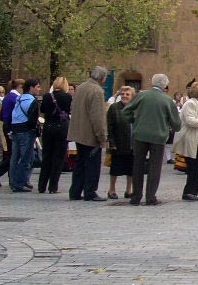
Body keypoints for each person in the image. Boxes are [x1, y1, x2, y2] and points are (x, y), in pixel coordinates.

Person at [123, 74, 180, 206]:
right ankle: (150, 197)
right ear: (165, 85)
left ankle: (136, 196)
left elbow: (126, 111)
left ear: (152, 82)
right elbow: (177, 124)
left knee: (138, 165)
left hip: (140, 135)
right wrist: (168, 126)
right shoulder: (167, 100)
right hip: (158, 137)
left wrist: (135, 121)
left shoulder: (141, 95)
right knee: (155, 167)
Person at [67, 67, 110, 202]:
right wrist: (102, 136)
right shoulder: (97, 91)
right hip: (89, 134)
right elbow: (97, 117)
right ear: (102, 78)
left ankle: (75, 191)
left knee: (80, 163)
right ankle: (90, 191)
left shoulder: (81, 87)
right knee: (92, 164)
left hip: (78, 131)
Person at [38, 76, 72, 194]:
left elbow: (42, 109)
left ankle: (41, 185)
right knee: (58, 157)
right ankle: (53, 187)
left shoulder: (47, 96)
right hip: (61, 128)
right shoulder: (68, 97)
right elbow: (69, 110)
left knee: (47, 156)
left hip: (48, 127)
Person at [9, 78, 42, 193]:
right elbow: (33, 119)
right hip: (26, 131)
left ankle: (13, 182)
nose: (39, 89)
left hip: (16, 129)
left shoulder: (19, 98)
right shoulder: (32, 101)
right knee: (27, 158)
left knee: (15, 158)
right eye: (37, 86)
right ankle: (20, 183)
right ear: (31, 87)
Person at [105, 85, 135, 199]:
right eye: (122, 94)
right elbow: (109, 126)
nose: (124, 96)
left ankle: (129, 190)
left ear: (132, 96)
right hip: (118, 142)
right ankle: (111, 189)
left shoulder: (135, 108)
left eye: (127, 94)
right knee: (115, 168)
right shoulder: (114, 108)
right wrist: (111, 142)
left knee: (130, 169)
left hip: (131, 143)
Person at [0, 79, 22, 186]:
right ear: (20, 86)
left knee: (12, 153)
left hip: (8, 126)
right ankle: (0, 172)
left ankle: (9, 177)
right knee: (14, 154)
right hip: (11, 127)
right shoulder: (14, 98)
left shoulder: (8, 97)